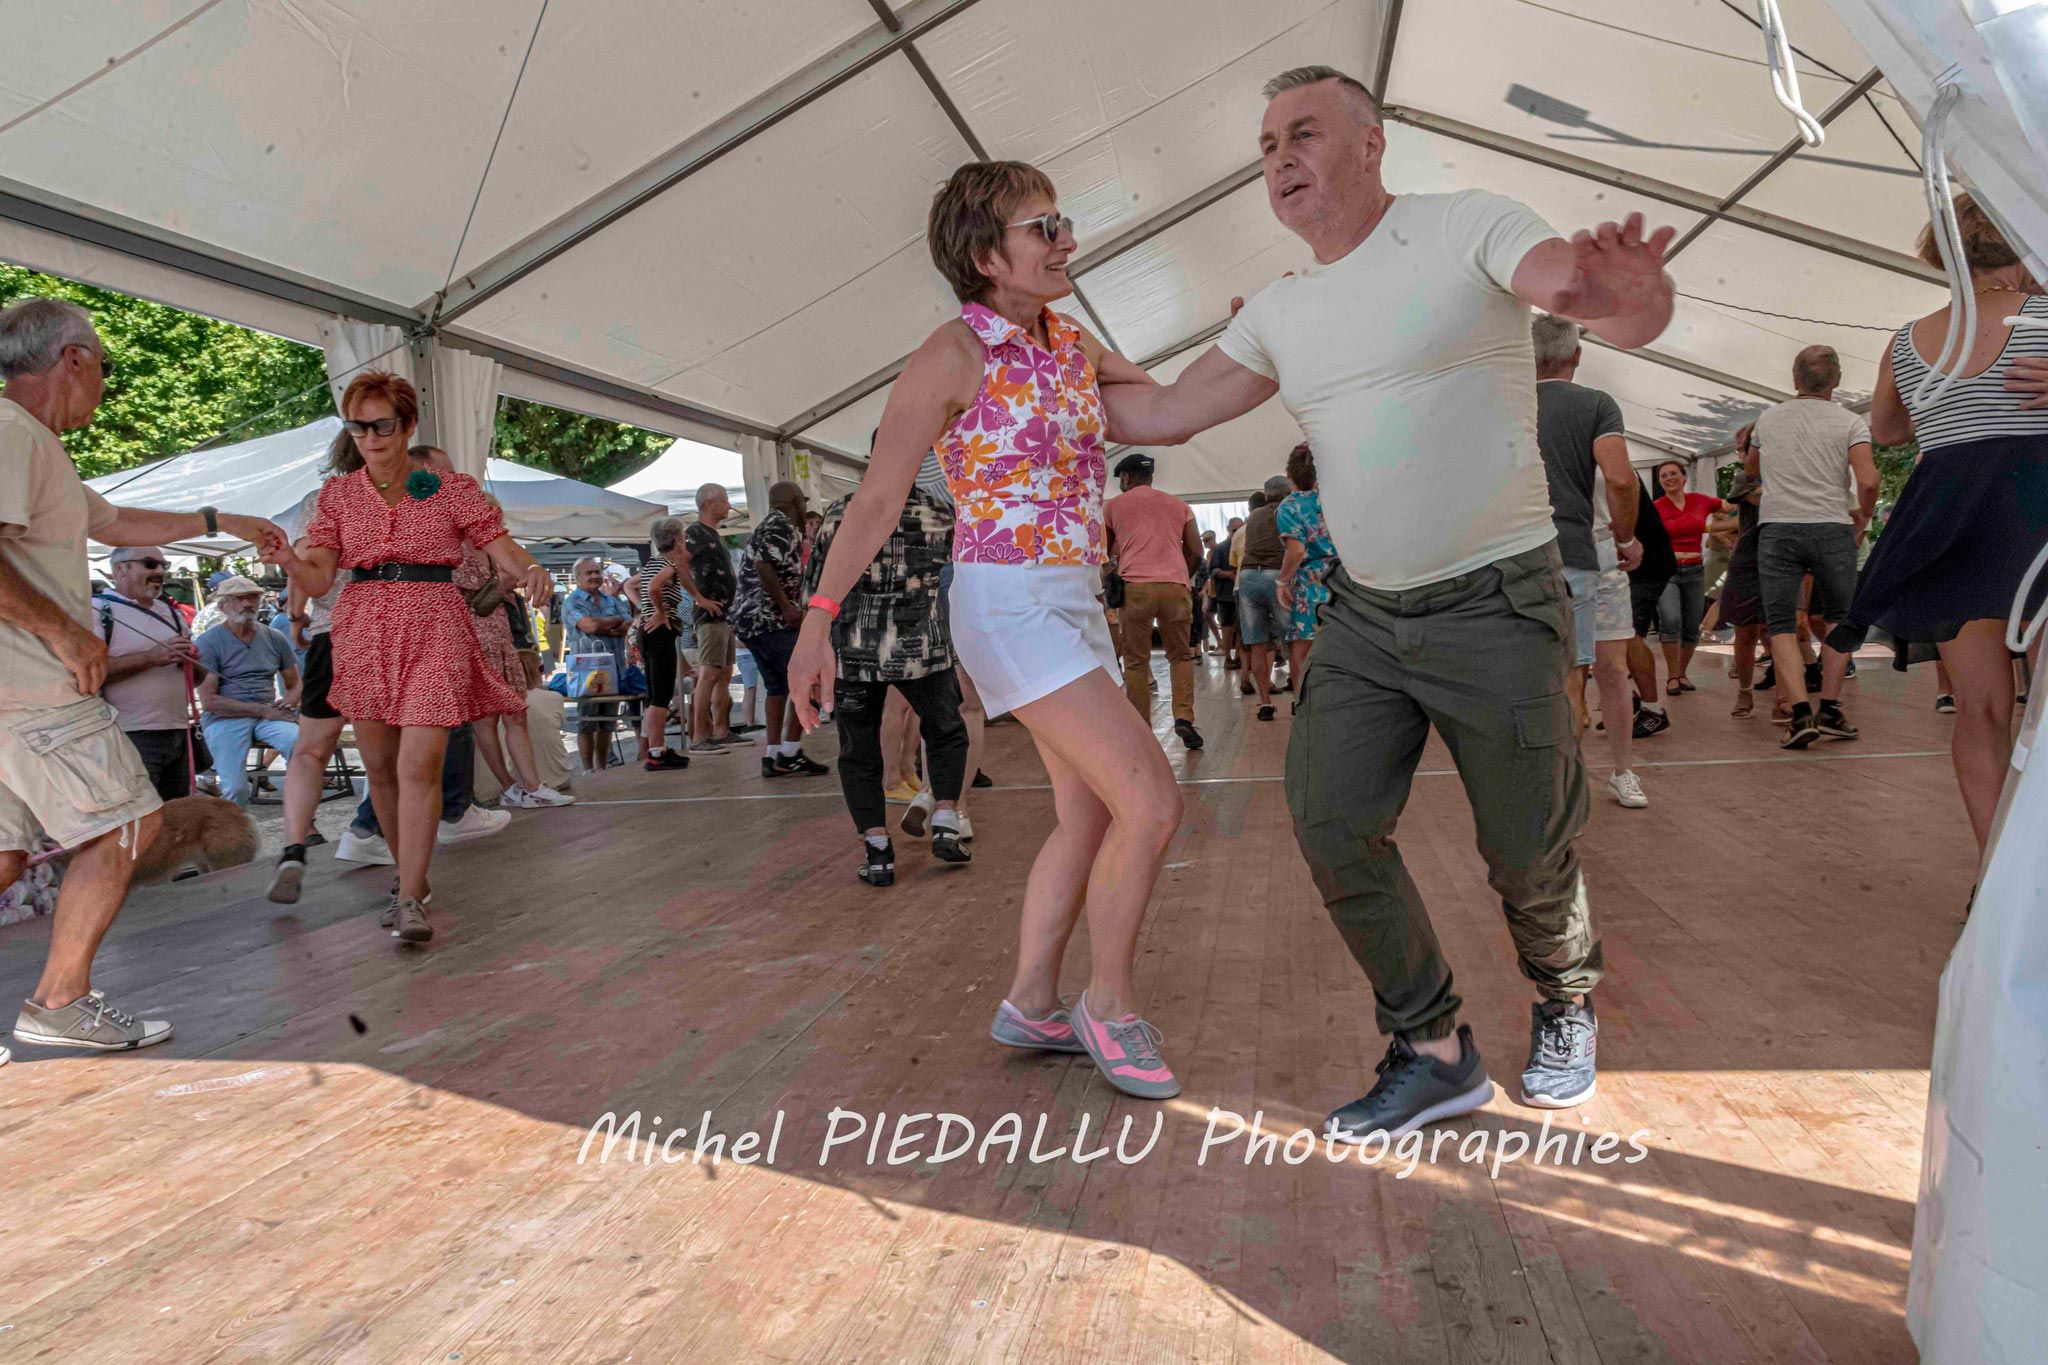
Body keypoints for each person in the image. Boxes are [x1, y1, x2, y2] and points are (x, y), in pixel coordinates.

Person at [1100, 66, 1678, 1135]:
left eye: (1302, 133)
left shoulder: (1465, 228)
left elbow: (1584, 294)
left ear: (1370, 143)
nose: (1279, 158)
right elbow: (1169, 413)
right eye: (1266, 144)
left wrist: (1635, 289)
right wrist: (1039, 353)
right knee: (1328, 823)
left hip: (1494, 603)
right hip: (1365, 616)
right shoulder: (1279, 308)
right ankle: (1431, 1043)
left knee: (1523, 849)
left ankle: (1563, 999)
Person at [789, 159, 1187, 1100]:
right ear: (985, 255)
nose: (1066, 241)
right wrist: (818, 621)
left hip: (1074, 595)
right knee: (1152, 802)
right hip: (1007, 598)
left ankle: (1032, 999)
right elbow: (881, 495)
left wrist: (1268, 336)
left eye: (1064, 222)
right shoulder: (951, 356)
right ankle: (1109, 1003)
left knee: (1092, 808)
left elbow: (1165, 410)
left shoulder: (1067, 341)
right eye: (1043, 227)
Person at [1, 296, 284, 1054]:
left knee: (3, 854)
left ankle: (60, 999)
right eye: (106, 366)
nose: (105, 384)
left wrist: (218, 519)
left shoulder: (34, 445)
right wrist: (63, 628)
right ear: (72, 360)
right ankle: (60, 999)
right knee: (129, 819)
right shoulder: (9, 432)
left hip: (15, 694)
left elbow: (117, 522)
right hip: (31, 685)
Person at [267, 372, 552, 944]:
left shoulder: (447, 489)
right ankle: (409, 884)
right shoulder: (339, 496)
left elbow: (502, 547)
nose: (370, 437)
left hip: (436, 624)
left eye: (382, 426)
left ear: (407, 426)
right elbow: (322, 577)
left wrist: (533, 568)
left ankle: (411, 896)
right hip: (363, 627)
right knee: (380, 770)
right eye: (359, 427)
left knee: (416, 765)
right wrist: (289, 562)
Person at [1852, 193, 2047, 850]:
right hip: (2039, 508)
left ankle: (1996, 877)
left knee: (1980, 709)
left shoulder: (1910, 339)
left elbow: (1887, 430)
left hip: (1953, 518)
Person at [805, 466, 972, 884]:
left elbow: (815, 585)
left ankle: (878, 851)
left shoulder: (841, 513)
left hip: (855, 648)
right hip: (924, 646)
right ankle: (948, 822)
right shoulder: (941, 513)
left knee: (858, 749)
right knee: (946, 730)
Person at [1529, 315, 1648, 808]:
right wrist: (1627, 536)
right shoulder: (1597, 406)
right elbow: (1622, 480)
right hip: (1595, 551)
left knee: (1553, 674)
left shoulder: (1507, 405)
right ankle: (1619, 772)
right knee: (1609, 670)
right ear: (1576, 355)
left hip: (1528, 554)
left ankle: (1558, 786)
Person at [423, 452, 571, 812]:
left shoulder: (489, 550)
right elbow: (466, 596)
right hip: (471, 636)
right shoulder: (451, 548)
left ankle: (531, 785)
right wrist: (501, 584)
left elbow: (507, 578)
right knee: (485, 719)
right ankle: (510, 785)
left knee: (514, 711)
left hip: (496, 634)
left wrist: (513, 578)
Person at [1749, 345, 1878, 749]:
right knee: (1840, 616)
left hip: (1779, 528)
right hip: (1831, 527)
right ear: (1836, 381)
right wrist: (1863, 517)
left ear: (1794, 378)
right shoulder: (1850, 422)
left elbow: (1750, 473)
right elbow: (1869, 480)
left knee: (1782, 622)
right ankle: (1831, 709)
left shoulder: (1767, 421)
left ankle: (1800, 713)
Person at [1104, 451, 1204, 749]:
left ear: (1126, 478)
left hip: (1136, 588)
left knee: (1136, 661)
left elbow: (1104, 552)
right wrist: (1182, 578)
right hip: (1175, 587)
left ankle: (1141, 729)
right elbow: (1197, 551)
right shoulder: (1179, 505)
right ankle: (1184, 718)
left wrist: (1111, 577)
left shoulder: (1113, 507)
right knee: (1181, 655)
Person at [733, 481, 829, 780]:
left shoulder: (768, 525)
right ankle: (789, 753)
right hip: (770, 619)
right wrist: (787, 606)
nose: (804, 508)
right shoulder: (781, 525)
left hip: (751, 621)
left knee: (776, 686)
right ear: (794, 502)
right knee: (808, 677)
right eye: (802, 502)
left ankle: (773, 754)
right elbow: (764, 566)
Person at [96, 545, 204, 801]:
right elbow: (89, 673)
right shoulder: (98, 610)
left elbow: (197, 678)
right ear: (120, 569)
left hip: (178, 731)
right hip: (128, 733)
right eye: (150, 564)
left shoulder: (171, 612)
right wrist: (151, 658)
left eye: (163, 566)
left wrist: (191, 662)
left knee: (177, 821)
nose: (159, 571)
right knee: (141, 819)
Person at [194, 575, 300, 807]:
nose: (247, 603)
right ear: (222, 606)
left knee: (300, 743)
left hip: (267, 715)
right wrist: (262, 710)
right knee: (235, 788)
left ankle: (300, 815)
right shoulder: (209, 642)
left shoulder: (274, 637)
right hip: (225, 718)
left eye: (252, 597)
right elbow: (210, 701)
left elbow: (295, 683)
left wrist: (289, 701)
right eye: (238, 598)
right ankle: (233, 838)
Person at [632, 515, 710, 771]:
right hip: (659, 631)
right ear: (677, 539)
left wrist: (699, 599)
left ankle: (657, 749)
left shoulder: (656, 562)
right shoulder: (667, 564)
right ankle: (656, 751)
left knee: (657, 693)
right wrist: (660, 611)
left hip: (649, 630)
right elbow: (655, 586)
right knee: (661, 695)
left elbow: (632, 585)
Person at [1649, 460, 1726, 694]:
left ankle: (1682, 673)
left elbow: (1732, 507)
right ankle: (1672, 676)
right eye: (1664, 476)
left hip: (1694, 570)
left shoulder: (1701, 501)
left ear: (1684, 477)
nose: (1669, 478)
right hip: (1666, 571)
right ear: (1660, 482)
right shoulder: (1655, 507)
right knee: (1671, 620)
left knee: (1692, 626)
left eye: (1674, 473)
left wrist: (1718, 529)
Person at [562, 555, 632, 772]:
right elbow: (589, 625)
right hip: (586, 674)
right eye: (589, 573)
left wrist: (603, 625)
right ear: (577, 577)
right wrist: (613, 625)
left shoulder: (612, 599)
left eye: (597, 572)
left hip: (614, 670)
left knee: (607, 724)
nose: (594, 576)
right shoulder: (572, 602)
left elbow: (629, 623)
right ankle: (587, 769)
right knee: (586, 724)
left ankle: (601, 768)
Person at [1275, 443, 1337, 688]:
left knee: (1302, 648)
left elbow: (1297, 550)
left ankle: (1304, 703)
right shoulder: (1334, 500)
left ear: (1288, 474)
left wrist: (1282, 581)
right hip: (1344, 577)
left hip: (1311, 581)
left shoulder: (1289, 506)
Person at [1715, 442, 1769, 719]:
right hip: (1748, 562)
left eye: (1743, 449)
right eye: (1740, 450)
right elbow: (1757, 500)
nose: (1741, 455)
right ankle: (1745, 691)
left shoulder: (1794, 472)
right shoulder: (1744, 478)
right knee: (1746, 631)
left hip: (1784, 559)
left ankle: (1786, 697)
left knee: (1787, 630)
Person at [684, 483, 739, 751]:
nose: (729, 505)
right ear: (708, 504)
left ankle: (721, 730)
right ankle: (699, 736)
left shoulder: (714, 535)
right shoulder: (694, 533)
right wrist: (699, 598)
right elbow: (678, 565)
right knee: (709, 673)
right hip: (710, 613)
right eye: (724, 500)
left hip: (724, 613)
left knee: (724, 672)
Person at [1234, 476, 1292, 720]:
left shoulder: (1254, 516)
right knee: (1294, 641)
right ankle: (1299, 698)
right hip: (1275, 575)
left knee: (1257, 644)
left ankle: (1265, 703)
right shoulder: (1287, 511)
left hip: (1248, 577)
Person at [1207, 515, 1242, 668]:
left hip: (1241, 594)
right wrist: (1229, 575)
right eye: (1235, 529)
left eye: (1240, 529)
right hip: (1226, 595)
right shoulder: (1220, 548)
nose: (1237, 532)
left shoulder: (1244, 546)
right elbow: (1213, 570)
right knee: (1227, 627)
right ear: (1228, 529)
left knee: (1241, 628)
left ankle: (1239, 657)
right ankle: (1228, 657)